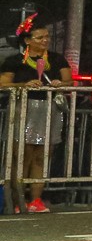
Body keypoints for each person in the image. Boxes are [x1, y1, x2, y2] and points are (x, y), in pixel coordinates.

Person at [1, 13, 73, 213]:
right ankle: (18, 200)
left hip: (49, 109)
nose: (45, 40)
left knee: (42, 156)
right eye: (40, 37)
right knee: (21, 156)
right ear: (27, 40)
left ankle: (36, 200)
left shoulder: (57, 59)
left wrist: (61, 84)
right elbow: (3, 83)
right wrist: (24, 85)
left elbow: (70, 81)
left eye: (47, 37)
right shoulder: (15, 61)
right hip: (24, 108)